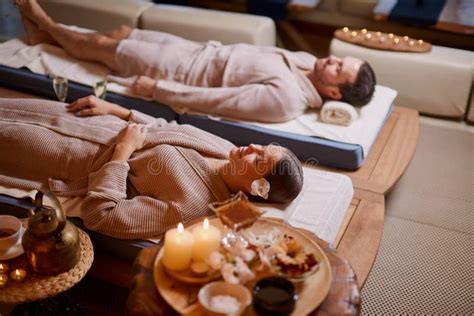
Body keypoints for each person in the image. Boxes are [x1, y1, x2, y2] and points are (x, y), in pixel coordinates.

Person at [14, 0, 376, 123]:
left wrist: (157, 89)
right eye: (339, 58)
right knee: (121, 31)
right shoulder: (307, 63)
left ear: (333, 92)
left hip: (177, 70)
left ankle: (44, 24)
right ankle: (45, 37)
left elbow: (217, 102)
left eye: (337, 68)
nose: (330, 58)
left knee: (100, 46)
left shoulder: (286, 100)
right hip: (192, 48)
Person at [0, 96, 303, 239]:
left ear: (257, 188)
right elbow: (167, 126)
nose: (252, 147)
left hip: (65, 156)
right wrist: (116, 109)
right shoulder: (226, 150)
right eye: (263, 146)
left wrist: (122, 152)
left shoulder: (190, 206)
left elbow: (104, 216)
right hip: (91, 121)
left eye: (259, 160)